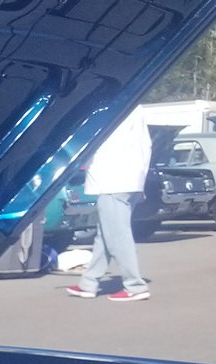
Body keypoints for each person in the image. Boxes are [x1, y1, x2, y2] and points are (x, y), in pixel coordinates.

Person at [64, 110, 151, 302]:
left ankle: (135, 286)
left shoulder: (111, 111)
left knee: (118, 236)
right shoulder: (135, 109)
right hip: (129, 180)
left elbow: (93, 140)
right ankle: (89, 283)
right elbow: (147, 145)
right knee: (105, 236)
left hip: (112, 181)